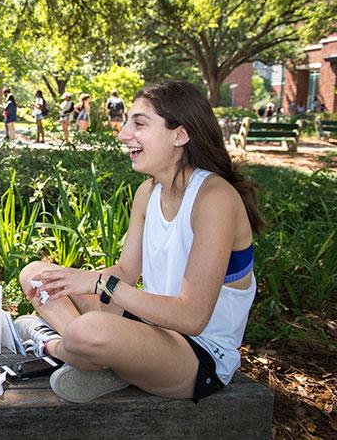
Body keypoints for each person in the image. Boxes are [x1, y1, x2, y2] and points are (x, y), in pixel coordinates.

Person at [15, 80, 264, 405]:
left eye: (140, 123)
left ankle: (56, 348)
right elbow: (126, 271)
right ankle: (98, 362)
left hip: (200, 353)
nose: (123, 134)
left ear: (180, 134)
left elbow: (192, 318)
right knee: (36, 276)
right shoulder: (148, 192)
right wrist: (73, 282)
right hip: (152, 326)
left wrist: (100, 284)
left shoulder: (215, 199)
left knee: (86, 331)